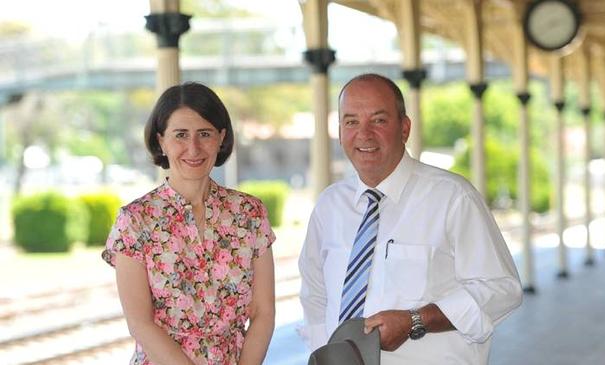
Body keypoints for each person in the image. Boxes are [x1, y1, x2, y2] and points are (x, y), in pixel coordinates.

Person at [298, 73, 522, 364]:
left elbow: (502, 288)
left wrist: (417, 320)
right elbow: (315, 295)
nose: (364, 134)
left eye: (378, 120)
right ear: (340, 131)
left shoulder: (452, 197)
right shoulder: (329, 205)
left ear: (404, 128)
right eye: (351, 121)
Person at [102, 82, 276, 365]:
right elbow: (140, 323)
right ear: (161, 141)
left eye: (204, 134)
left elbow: (264, 312)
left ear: (221, 138)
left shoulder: (250, 214)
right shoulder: (135, 220)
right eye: (180, 135)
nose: (193, 148)